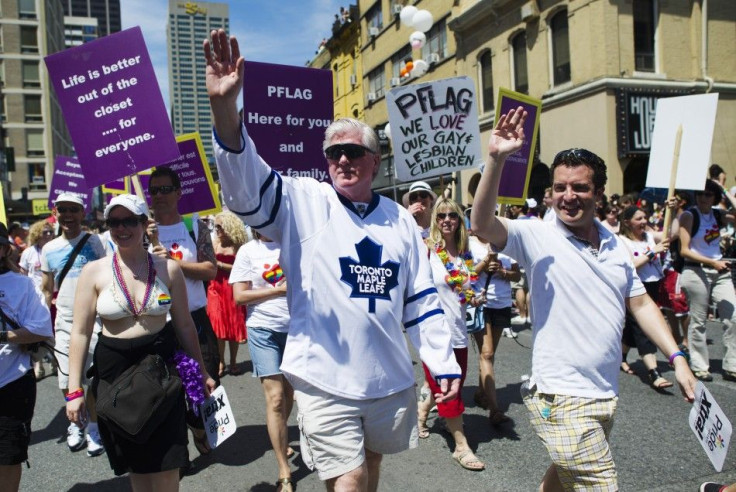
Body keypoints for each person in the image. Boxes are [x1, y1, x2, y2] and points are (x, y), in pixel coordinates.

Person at [205, 29, 460, 490]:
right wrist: (226, 110)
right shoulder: (304, 200)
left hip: (386, 375)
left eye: (353, 151)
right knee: (350, 477)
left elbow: (421, 299)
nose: (342, 159)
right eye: (333, 152)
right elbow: (247, 191)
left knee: (372, 467)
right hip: (323, 375)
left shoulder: (400, 220)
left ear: (375, 160)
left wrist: (441, 363)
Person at [471, 106, 697, 491]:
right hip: (560, 395)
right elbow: (481, 224)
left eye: (579, 187)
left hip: (604, 392)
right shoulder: (536, 234)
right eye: (560, 187)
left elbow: (640, 303)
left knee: (559, 482)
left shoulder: (613, 243)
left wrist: (676, 357)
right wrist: (495, 159)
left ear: (599, 193)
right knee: (600, 485)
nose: (568, 196)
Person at [65, 194, 215, 490]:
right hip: (115, 374)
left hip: (162, 370)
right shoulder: (93, 272)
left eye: (129, 221)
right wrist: (74, 390)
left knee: (169, 464)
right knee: (138, 469)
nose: (122, 229)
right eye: (114, 222)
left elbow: (184, 325)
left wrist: (203, 372)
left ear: (144, 223)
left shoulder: (168, 269)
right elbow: (80, 333)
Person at [145, 166, 220, 455]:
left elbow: (210, 270)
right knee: (168, 390)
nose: (159, 195)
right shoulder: (141, 231)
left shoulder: (195, 226)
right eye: (154, 190)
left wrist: (172, 265)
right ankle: (177, 455)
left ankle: (198, 425)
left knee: (205, 380)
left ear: (178, 192)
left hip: (195, 317)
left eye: (165, 189)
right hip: (159, 321)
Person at [416, 198, 484, 471]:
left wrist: (474, 297)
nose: (446, 220)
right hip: (433, 333)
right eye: (441, 215)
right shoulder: (427, 250)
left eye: (452, 215)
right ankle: (461, 446)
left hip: (458, 331)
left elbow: (463, 290)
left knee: (454, 381)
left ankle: (422, 413)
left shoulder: (465, 254)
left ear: (459, 221)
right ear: (435, 219)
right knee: (447, 387)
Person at [40, 193, 107, 457]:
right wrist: (42, 325)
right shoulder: (49, 249)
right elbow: (47, 289)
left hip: (94, 321)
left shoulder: (95, 242)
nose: (68, 215)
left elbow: (106, 275)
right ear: (56, 213)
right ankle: (74, 423)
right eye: (62, 209)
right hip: (65, 322)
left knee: (93, 377)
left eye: (73, 210)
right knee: (66, 380)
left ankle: (91, 425)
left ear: (83, 213)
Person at [231, 231, 294, 491]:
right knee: (276, 397)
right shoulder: (248, 251)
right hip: (262, 329)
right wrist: (278, 290)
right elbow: (239, 296)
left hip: (296, 329)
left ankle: (280, 432)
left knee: (289, 395)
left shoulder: (294, 244)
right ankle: (284, 469)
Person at [0, 222, 53, 492]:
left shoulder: (21, 285)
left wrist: (5, 336)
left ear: (3, 249)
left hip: (11, 381)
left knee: (8, 457)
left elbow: (42, 328)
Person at [678, 179, 736, 383]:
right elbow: (684, 250)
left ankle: (732, 365)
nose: (704, 198)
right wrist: (711, 262)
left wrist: (725, 191)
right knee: (699, 320)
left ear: (715, 197)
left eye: (709, 194)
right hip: (696, 271)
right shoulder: (689, 215)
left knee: (733, 317)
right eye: (700, 193)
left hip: (719, 270)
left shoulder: (718, 215)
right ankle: (700, 366)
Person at [617, 206, 674, 389]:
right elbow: (630, 265)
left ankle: (621, 357)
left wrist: (673, 210)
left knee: (632, 328)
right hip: (635, 288)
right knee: (642, 328)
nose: (644, 222)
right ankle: (654, 372)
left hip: (654, 284)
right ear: (627, 222)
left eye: (645, 218)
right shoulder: (622, 241)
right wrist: (652, 252)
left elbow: (671, 233)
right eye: (639, 219)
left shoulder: (649, 236)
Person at [468, 233, 521, 417]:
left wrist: (502, 271)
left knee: (488, 355)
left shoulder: (506, 244)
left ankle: (481, 392)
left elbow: (517, 275)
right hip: (480, 303)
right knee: (487, 353)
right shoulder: (469, 243)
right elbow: (466, 275)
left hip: (502, 303)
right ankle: (495, 409)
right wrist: (484, 263)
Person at [207, 210, 247, 378]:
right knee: (217, 326)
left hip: (231, 288)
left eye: (220, 227)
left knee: (232, 324)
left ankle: (233, 361)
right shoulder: (214, 243)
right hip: (215, 287)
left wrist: (221, 265)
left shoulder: (238, 244)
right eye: (216, 227)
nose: (218, 231)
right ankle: (221, 361)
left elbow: (241, 268)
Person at [19, 219, 56, 380]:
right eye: (45, 232)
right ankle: (38, 364)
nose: (48, 234)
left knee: (53, 332)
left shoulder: (55, 250)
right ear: (37, 234)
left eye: (50, 232)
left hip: (54, 296)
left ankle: (55, 362)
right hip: (34, 299)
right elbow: (23, 275)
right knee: (36, 331)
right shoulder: (29, 252)